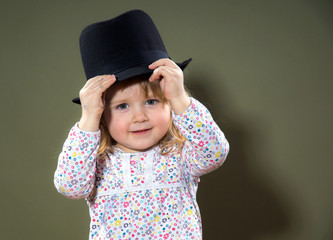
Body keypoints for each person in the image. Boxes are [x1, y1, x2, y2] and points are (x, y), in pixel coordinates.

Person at [54, 10, 229, 240]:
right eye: (122, 106)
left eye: (151, 101)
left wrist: (180, 98)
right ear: (102, 114)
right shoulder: (97, 163)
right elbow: (70, 186)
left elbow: (214, 152)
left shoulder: (180, 155)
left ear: (169, 104)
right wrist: (88, 118)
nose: (139, 117)